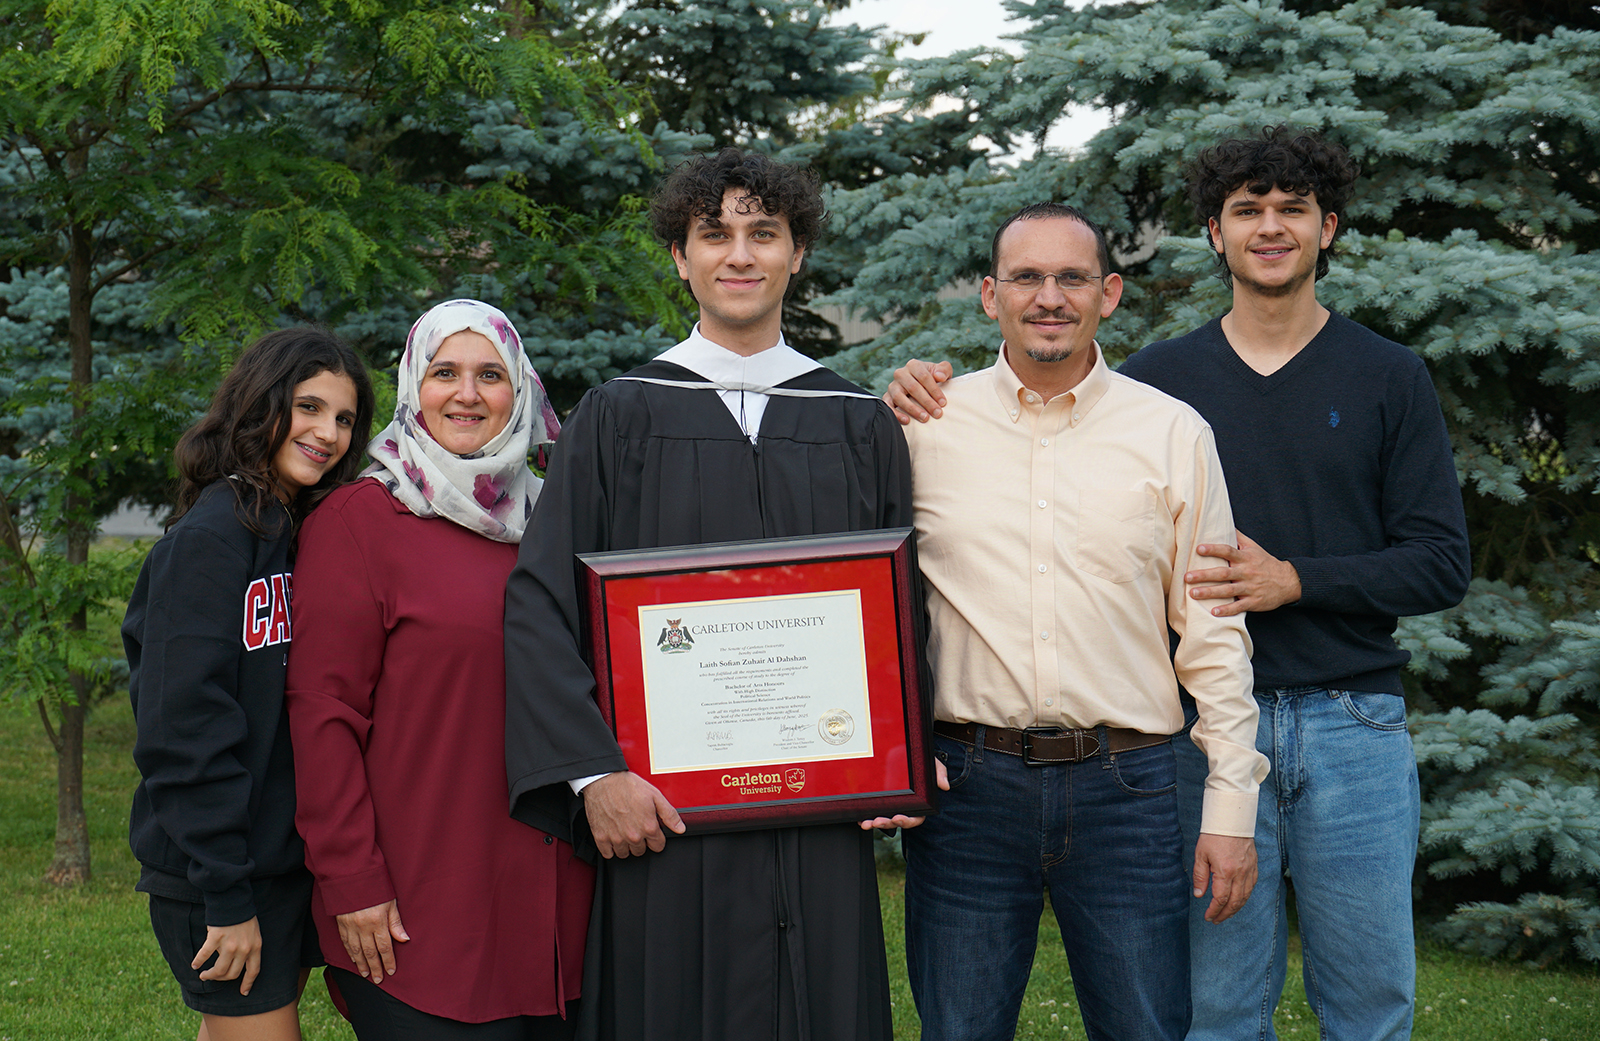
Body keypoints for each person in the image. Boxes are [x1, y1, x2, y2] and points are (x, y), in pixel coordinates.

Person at [888, 130, 1471, 1041]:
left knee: (1363, 1002)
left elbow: (1435, 560)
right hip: (1105, 756)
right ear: (1214, 232)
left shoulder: (1371, 379)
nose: (1269, 228)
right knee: (1214, 1010)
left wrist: (1293, 580)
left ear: (1330, 229)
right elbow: (888, 591)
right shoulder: (1137, 390)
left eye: (1291, 210)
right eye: (1248, 210)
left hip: (1329, 722)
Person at [502, 148, 913, 1041]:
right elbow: (541, 606)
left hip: (820, 808)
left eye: (764, 233)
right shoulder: (619, 414)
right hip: (664, 809)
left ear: (797, 253)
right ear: (680, 257)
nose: (740, 254)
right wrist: (595, 774)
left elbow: (898, 608)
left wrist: (898, 754)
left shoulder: (853, 420)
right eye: (713, 233)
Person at [876, 202, 1266, 1041]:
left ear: (1109, 293)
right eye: (1025, 277)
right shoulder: (920, 429)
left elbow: (1214, 631)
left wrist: (1232, 805)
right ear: (989, 295)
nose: (1048, 297)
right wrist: (889, 755)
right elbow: (871, 604)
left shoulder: (1171, 434)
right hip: (967, 789)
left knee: (1145, 1029)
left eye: (1071, 277)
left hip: (1128, 791)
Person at [285, 299, 586, 1040]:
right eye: (444, 372)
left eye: (490, 374)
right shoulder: (360, 522)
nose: (467, 393)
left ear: (520, 389)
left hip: (561, 912)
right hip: (418, 914)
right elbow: (321, 714)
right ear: (412, 386)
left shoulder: (558, 520)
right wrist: (351, 881)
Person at [125, 327, 374, 1041]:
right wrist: (226, 896)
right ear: (262, 405)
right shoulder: (207, 543)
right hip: (221, 874)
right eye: (308, 407)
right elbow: (181, 732)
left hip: (280, 863)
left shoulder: (293, 533)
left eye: (344, 418)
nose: (327, 433)